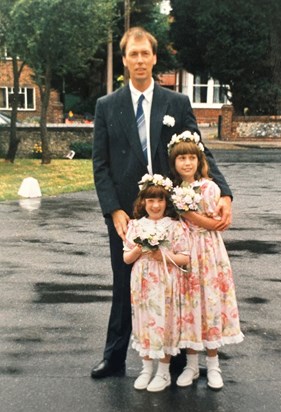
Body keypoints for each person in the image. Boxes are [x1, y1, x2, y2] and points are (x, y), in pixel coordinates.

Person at [91, 26, 232, 379]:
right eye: (132, 54)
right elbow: (100, 165)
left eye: (145, 54)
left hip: (175, 211)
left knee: (179, 283)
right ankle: (115, 356)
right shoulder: (107, 107)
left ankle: (180, 358)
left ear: (154, 58)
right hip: (130, 214)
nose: (139, 60)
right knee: (126, 283)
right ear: (124, 61)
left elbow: (199, 151)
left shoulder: (176, 103)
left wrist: (225, 192)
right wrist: (114, 210)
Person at [168, 131, 244, 390]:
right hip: (185, 251)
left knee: (209, 302)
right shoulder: (174, 190)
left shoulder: (210, 187)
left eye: (191, 158)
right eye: (181, 159)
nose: (187, 163)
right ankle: (191, 365)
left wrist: (189, 214)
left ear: (199, 161)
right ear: (174, 163)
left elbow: (216, 224)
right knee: (189, 305)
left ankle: (213, 366)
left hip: (208, 250)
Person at [123, 174, 190, 392]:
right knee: (144, 322)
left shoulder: (174, 226)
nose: (155, 205)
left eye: (160, 200)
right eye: (150, 200)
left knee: (164, 322)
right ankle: (146, 369)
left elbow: (185, 258)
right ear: (143, 202)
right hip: (142, 282)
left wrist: (162, 255)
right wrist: (139, 249)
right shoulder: (135, 226)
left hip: (165, 282)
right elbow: (126, 258)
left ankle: (163, 372)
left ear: (166, 202)